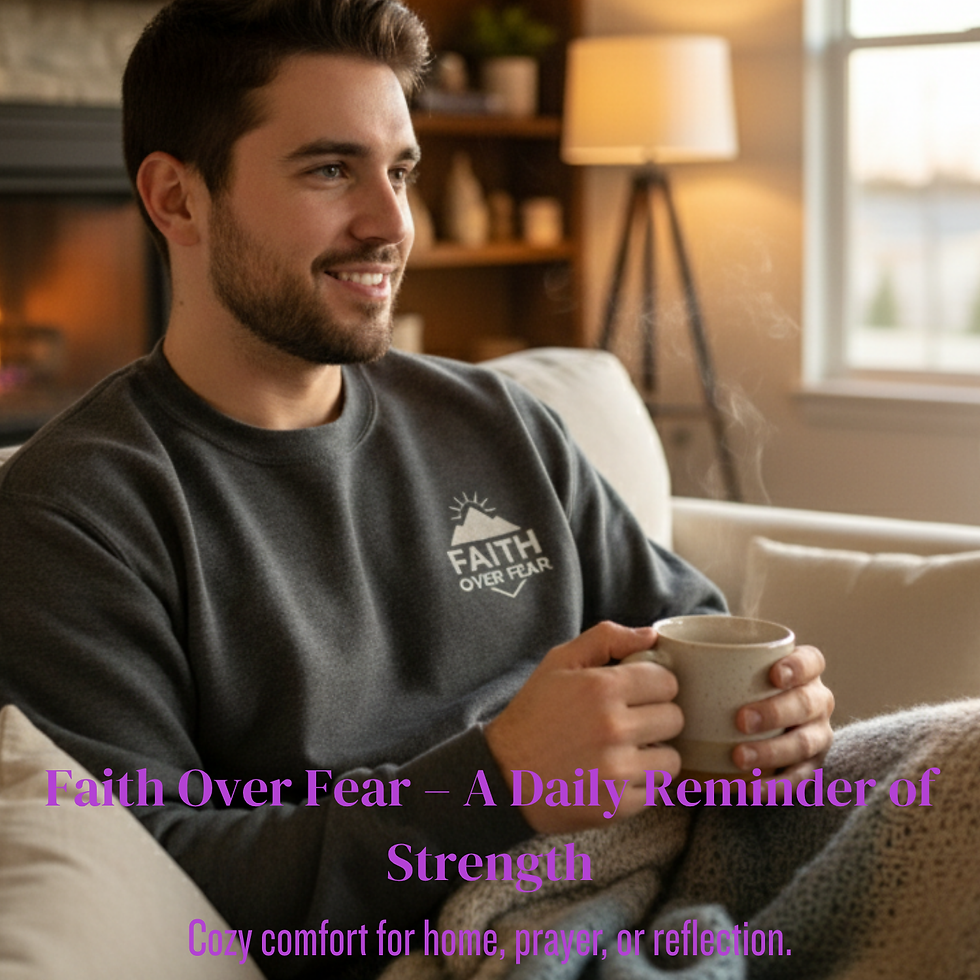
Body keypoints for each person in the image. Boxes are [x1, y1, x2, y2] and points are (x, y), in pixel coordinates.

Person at [0, 1, 834, 977]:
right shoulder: (76, 515)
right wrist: (498, 781)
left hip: (676, 882)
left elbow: (691, 630)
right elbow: (164, 872)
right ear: (176, 199)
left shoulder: (496, 420)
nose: (391, 222)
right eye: (329, 169)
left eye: (399, 170)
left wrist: (776, 720)